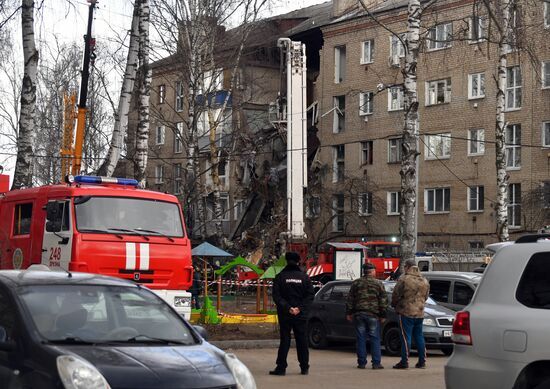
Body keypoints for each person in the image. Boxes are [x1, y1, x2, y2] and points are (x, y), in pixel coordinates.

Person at [269, 252, 314, 376]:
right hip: (300, 314)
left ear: (286, 261)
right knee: (302, 340)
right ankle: (304, 367)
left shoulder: (280, 277)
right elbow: (310, 295)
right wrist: (299, 308)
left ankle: (281, 368)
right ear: (298, 262)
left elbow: (276, 296)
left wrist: (288, 308)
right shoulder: (304, 277)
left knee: (285, 339)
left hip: (285, 314)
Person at [345, 262, 388, 370]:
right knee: (375, 339)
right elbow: (383, 300)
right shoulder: (378, 283)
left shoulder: (356, 283)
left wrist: (349, 313)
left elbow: (350, 299)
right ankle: (376, 363)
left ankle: (361, 363)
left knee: (360, 339)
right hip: (373, 315)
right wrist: (383, 314)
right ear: (372, 271)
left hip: (359, 314)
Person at [391, 259, 430, 370]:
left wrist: (394, 305)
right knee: (419, 337)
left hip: (406, 312)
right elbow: (426, 297)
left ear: (407, 267)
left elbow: (396, 294)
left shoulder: (404, 279)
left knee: (405, 337)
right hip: (420, 312)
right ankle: (422, 362)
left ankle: (404, 362)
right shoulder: (424, 280)